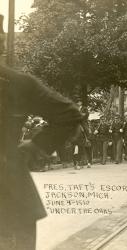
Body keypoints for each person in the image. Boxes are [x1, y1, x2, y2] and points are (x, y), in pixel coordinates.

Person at [0, 53, 83, 250]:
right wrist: (37, 145)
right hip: (10, 196)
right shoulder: (17, 82)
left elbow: (70, 116)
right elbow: (69, 115)